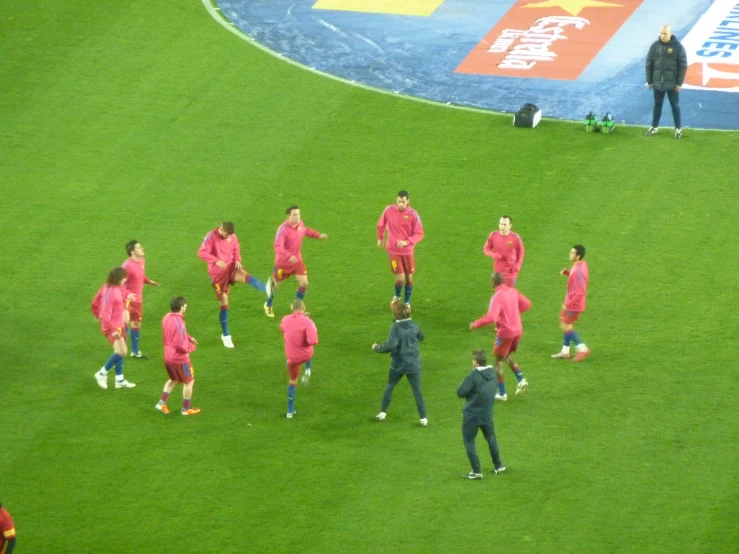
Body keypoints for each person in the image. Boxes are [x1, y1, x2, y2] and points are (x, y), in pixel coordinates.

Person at [198, 221, 275, 348]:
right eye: (226, 235)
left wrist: (238, 259)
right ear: (221, 229)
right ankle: (226, 335)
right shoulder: (211, 237)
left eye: (230, 236)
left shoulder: (232, 237)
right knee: (224, 302)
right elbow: (202, 252)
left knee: (244, 274)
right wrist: (216, 261)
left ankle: (266, 288)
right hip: (217, 274)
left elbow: (236, 249)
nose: (228, 237)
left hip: (230, 267)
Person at [470, 272, 532, 401]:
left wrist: (475, 324)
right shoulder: (513, 291)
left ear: (492, 282)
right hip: (518, 330)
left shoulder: (496, 297)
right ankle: (521, 379)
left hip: (506, 332)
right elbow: (527, 304)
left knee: (498, 361)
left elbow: (491, 317)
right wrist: (512, 313)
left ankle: (502, 393)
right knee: (506, 355)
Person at [265, 206, 328, 318]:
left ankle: (296, 306)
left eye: (299, 214)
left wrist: (318, 235)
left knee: (304, 283)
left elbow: (306, 231)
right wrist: (289, 256)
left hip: (297, 261)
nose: (298, 216)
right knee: (275, 285)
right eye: (295, 214)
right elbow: (278, 247)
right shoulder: (283, 230)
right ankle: (268, 305)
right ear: (288, 216)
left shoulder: (300, 224)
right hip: (283, 264)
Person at [373, 302, 428, 426]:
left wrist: (377, 347)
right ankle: (423, 418)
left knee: (390, 385)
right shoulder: (414, 325)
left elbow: (392, 345)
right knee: (417, 390)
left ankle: (382, 413)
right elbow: (421, 337)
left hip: (398, 363)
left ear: (396, 314)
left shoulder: (395, 328)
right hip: (413, 363)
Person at [457, 349, 506, 480]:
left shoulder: (473, 376)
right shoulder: (493, 373)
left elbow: (460, 392)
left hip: (471, 415)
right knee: (491, 438)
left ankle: (476, 471)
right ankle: (498, 465)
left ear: (476, 362)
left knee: (469, 441)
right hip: (486, 414)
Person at [377, 190, 424, 309]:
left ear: (408, 201)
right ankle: (397, 296)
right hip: (393, 250)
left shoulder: (413, 214)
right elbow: (381, 224)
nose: (401, 204)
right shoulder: (389, 210)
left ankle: (407, 302)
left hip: (407, 251)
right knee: (400, 277)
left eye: (403, 202)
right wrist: (380, 238)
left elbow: (419, 233)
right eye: (399, 201)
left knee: (409, 277)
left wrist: (406, 242)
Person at [92, 267, 136, 389]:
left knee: (120, 352)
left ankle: (119, 380)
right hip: (113, 327)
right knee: (122, 352)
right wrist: (114, 330)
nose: (125, 280)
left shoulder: (110, 287)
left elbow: (95, 302)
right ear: (118, 278)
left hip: (118, 325)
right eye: (124, 278)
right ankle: (101, 373)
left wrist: (129, 296)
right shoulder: (111, 293)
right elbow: (106, 315)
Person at [156, 296, 201, 416]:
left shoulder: (167, 317)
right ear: (181, 307)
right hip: (180, 360)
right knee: (189, 381)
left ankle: (161, 403)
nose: (186, 306)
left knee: (174, 379)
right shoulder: (179, 322)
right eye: (185, 305)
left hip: (168, 357)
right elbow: (180, 345)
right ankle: (186, 409)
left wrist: (189, 338)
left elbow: (175, 334)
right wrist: (192, 347)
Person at [645, 25, 687, 139]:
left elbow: (682, 66)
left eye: (665, 33)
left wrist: (679, 83)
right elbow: (649, 64)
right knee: (657, 105)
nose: (663, 35)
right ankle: (654, 127)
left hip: (672, 84)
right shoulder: (654, 46)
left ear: (670, 33)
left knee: (675, 106)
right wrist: (649, 81)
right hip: (658, 83)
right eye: (661, 33)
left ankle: (678, 129)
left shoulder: (678, 47)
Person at [279, 299, 319, 418]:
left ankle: (290, 411)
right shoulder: (308, 322)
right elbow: (313, 341)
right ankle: (308, 369)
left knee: (292, 381)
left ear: (292, 309)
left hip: (292, 358)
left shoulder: (286, 319)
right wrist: (307, 321)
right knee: (309, 348)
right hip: (306, 355)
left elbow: (282, 328)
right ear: (304, 308)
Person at [552, 245, 591, 362]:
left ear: (578, 256)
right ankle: (565, 351)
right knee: (566, 325)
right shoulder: (580, 265)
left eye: (572, 253)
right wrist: (568, 273)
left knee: (565, 325)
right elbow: (577, 280)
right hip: (572, 303)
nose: (570, 254)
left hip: (574, 305)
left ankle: (582, 349)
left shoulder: (579, 270)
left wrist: (568, 304)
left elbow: (581, 292)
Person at [122, 240, 159, 359]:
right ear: (132, 251)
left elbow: (140, 275)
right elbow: (120, 284)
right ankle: (120, 349)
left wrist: (148, 281)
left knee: (136, 323)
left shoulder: (142, 261)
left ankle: (135, 351)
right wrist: (128, 295)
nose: (142, 249)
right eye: (139, 248)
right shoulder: (126, 266)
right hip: (127, 300)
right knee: (124, 323)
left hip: (138, 300)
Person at [483, 216, 525, 287]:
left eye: (505, 225)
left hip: (511, 273)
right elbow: (486, 249)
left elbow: (521, 251)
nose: (502, 227)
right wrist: (493, 255)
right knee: (499, 294)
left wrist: (518, 266)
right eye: (501, 224)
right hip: (498, 273)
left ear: (510, 226)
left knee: (508, 295)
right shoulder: (493, 235)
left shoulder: (515, 237)